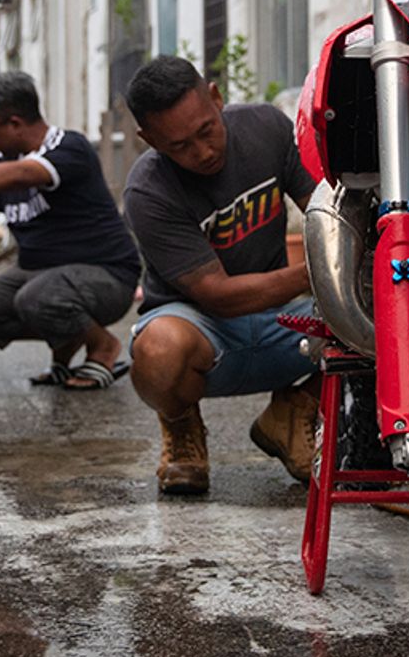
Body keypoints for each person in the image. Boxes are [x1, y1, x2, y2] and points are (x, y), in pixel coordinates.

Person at [121, 56, 318, 496]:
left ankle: (296, 411)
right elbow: (219, 296)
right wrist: (317, 274)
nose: (203, 152)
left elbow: (326, 213)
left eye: (206, 130)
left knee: (385, 304)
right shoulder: (147, 190)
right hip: (204, 330)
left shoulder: (267, 127)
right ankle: (182, 426)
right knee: (157, 350)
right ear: (148, 139)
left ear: (215, 97)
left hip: (283, 321)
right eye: (180, 146)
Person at [0, 72, 141, 390]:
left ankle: (103, 346)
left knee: (37, 297)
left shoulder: (68, 148)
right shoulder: (5, 163)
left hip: (108, 277)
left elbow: (24, 174)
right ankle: (72, 337)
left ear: (16, 123)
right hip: (41, 277)